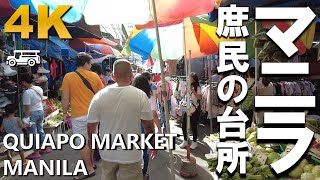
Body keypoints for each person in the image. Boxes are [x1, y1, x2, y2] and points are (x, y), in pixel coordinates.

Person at [87, 59, 157, 180]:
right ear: (131, 75)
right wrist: (152, 144)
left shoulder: (99, 96)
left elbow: (91, 126)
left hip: (107, 152)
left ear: (113, 76)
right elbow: (148, 126)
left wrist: (93, 145)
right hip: (131, 154)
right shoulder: (140, 95)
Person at [61, 52, 104, 180]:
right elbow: (101, 95)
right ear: (85, 63)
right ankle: (91, 164)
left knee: (82, 142)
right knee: (91, 140)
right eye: (90, 63)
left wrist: (64, 113)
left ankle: (89, 169)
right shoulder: (95, 77)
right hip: (93, 115)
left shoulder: (68, 77)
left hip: (78, 115)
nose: (91, 66)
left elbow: (65, 98)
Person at [132, 75, 160, 180]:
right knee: (145, 151)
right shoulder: (150, 95)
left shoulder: (130, 95)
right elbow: (153, 113)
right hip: (146, 125)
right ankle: (143, 174)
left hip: (132, 125)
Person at [21, 73, 49, 159]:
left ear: (25, 82)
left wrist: (26, 119)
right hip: (40, 111)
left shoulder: (27, 93)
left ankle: (36, 152)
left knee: (33, 133)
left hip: (32, 114)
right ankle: (45, 147)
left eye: (22, 83)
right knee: (40, 130)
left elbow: (27, 109)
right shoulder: (38, 88)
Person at [179, 72, 202, 150]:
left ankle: (194, 142)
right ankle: (185, 140)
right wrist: (186, 90)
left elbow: (199, 98)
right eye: (189, 78)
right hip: (186, 108)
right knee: (183, 125)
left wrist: (193, 90)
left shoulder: (198, 88)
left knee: (193, 126)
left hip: (194, 109)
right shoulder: (187, 86)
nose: (189, 80)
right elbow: (183, 96)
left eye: (191, 78)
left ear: (194, 80)